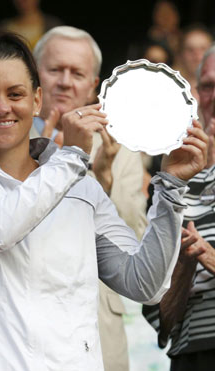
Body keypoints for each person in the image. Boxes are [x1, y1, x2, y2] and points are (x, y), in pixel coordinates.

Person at [0, 31, 208, 371]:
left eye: (16, 94)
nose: (2, 107)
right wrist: (71, 157)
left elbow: (144, 283)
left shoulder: (81, 185)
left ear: (37, 100)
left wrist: (171, 186)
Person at [33, 25, 149, 371]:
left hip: (95, 324)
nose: (65, 81)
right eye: (55, 70)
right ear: (34, 74)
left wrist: (105, 180)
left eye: (77, 73)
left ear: (92, 85)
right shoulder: (5, 136)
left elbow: (136, 243)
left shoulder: (120, 147)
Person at [143, 45, 215, 371]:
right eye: (209, 85)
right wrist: (185, 270)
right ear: (197, 93)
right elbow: (164, 320)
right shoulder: (172, 180)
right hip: (191, 356)